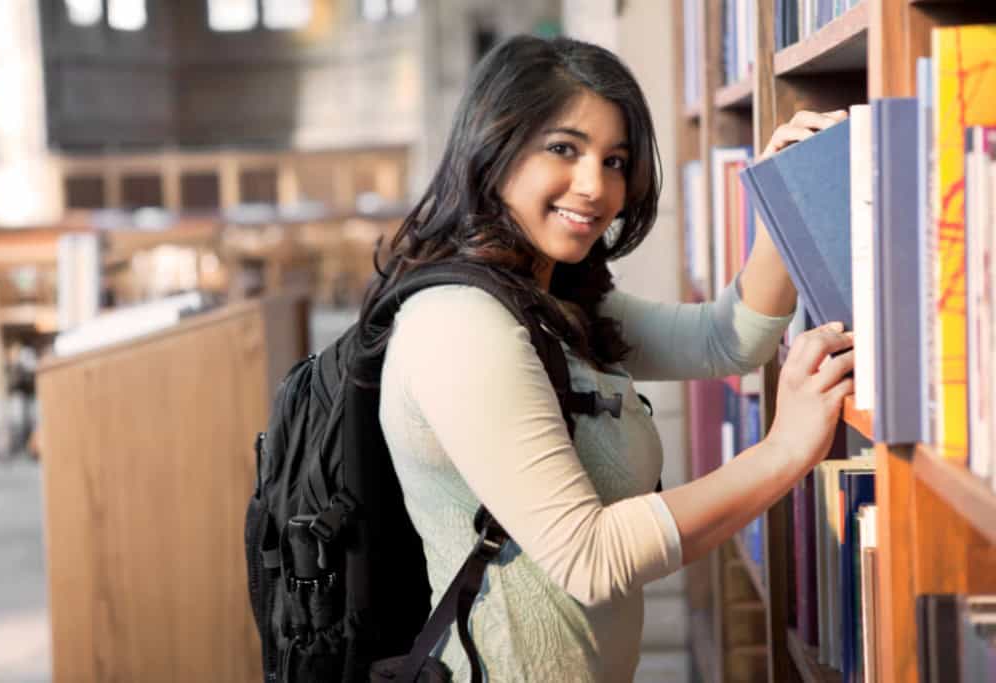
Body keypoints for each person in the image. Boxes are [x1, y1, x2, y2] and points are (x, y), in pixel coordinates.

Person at [361, 34, 853, 682]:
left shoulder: (548, 299)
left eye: (615, 160)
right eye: (564, 149)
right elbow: (588, 557)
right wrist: (784, 451)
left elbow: (726, 340)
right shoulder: (460, 325)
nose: (596, 185)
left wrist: (781, 206)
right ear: (493, 146)